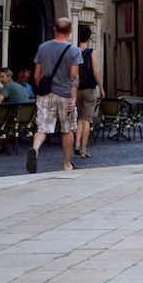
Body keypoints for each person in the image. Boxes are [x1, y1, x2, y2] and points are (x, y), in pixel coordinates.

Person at [28, 18, 82, 173]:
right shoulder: (74, 51)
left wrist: (43, 88)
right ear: (70, 31)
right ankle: (66, 164)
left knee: (42, 128)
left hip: (46, 94)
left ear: (54, 29)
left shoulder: (43, 48)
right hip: (65, 94)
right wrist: (73, 98)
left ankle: (35, 149)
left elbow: (37, 75)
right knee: (67, 129)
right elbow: (73, 77)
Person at [74, 23, 104, 159]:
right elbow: (96, 72)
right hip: (89, 89)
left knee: (80, 118)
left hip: (77, 89)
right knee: (87, 120)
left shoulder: (74, 51)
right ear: (89, 37)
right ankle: (83, 149)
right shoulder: (92, 52)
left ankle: (76, 144)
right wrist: (101, 88)